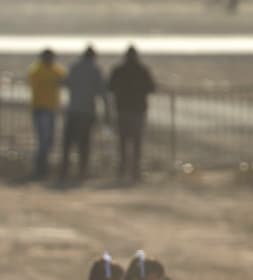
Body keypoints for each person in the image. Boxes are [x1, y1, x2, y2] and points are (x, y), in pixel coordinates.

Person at [59, 47, 110, 181]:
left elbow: (65, 83)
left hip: (73, 110)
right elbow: (102, 92)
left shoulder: (74, 67)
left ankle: (64, 171)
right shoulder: (95, 70)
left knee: (68, 143)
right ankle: (81, 172)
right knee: (84, 143)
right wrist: (107, 112)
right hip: (87, 112)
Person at [108, 46, 156, 182]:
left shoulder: (119, 70)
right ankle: (135, 171)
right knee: (136, 142)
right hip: (137, 111)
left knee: (123, 142)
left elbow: (110, 86)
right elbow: (151, 87)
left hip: (123, 110)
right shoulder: (142, 70)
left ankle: (123, 170)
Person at [27, 49, 66, 179]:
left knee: (49, 140)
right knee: (43, 140)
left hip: (51, 108)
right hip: (40, 108)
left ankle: (44, 168)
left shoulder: (56, 69)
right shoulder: (37, 70)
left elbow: (64, 79)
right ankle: (40, 168)